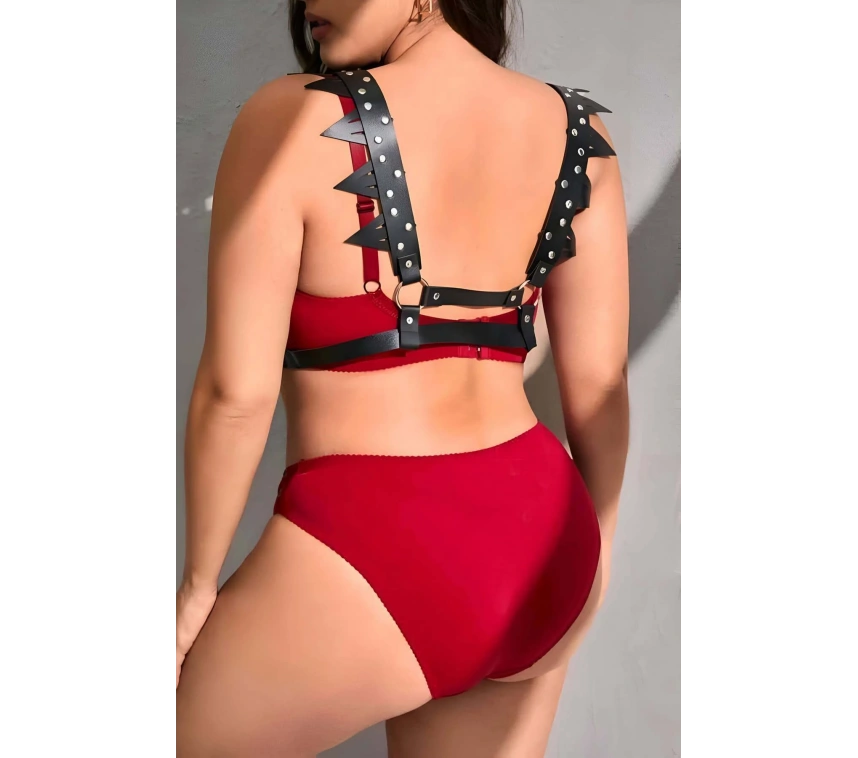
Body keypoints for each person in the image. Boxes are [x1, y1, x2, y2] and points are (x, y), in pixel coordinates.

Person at [176, 0, 629, 755]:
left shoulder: (292, 117)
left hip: (377, 531)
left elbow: (235, 396)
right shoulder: (581, 136)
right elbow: (602, 385)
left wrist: (197, 586)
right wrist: (597, 552)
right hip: (548, 543)